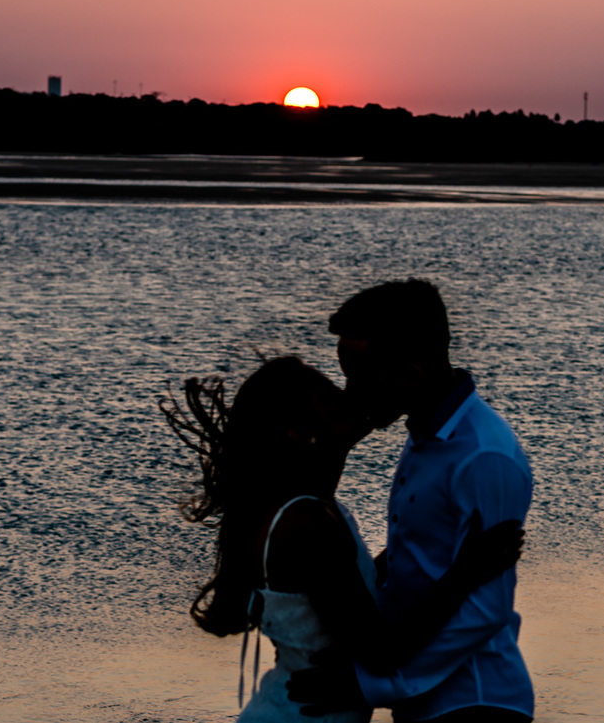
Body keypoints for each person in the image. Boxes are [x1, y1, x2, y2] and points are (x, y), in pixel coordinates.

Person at [161, 355, 524, 723]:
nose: (352, 396)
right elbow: (381, 653)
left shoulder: (309, 508)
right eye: (333, 395)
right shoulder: (307, 524)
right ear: (301, 432)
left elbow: (353, 583)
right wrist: (467, 571)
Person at [288, 279, 535, 723]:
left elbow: (486, 608)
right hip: (424, 703)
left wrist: (372, 685)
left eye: (358, 378)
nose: (348, 394)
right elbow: (418, 560)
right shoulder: (425, 436)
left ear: (411, 376)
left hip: (475, 702)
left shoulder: (483, 456)